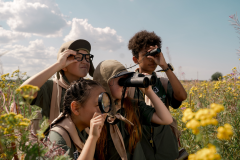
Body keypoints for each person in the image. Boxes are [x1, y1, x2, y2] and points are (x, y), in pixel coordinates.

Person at [92, 59, 173, 160]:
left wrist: (149, 92)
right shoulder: (95, 114)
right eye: (122, 81)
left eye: (128, 80)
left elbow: (166, 119)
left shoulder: (132, 106)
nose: (126, 86)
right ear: (105, 83)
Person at [128, 30, 187, 160]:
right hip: (141, 148)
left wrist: (164, 66)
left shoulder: (163, 83)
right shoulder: (128, 85)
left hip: (165, 146)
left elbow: (182, 96)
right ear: (135, 59)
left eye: (153, 54)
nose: (151, 58)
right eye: (145, 54)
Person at [21, 39, 94, 124]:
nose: (85, 61)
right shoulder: (51, 88)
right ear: (64, 64)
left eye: (88, 58)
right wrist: (58, 65)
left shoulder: (91, 89)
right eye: (78, 57)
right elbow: (24, 91)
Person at [44, 79, 107, 160]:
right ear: (76, 108)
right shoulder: (57, 139)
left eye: (105, 105)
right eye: (98, 105)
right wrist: (92, 138)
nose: (104, 111)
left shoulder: (85, 130)